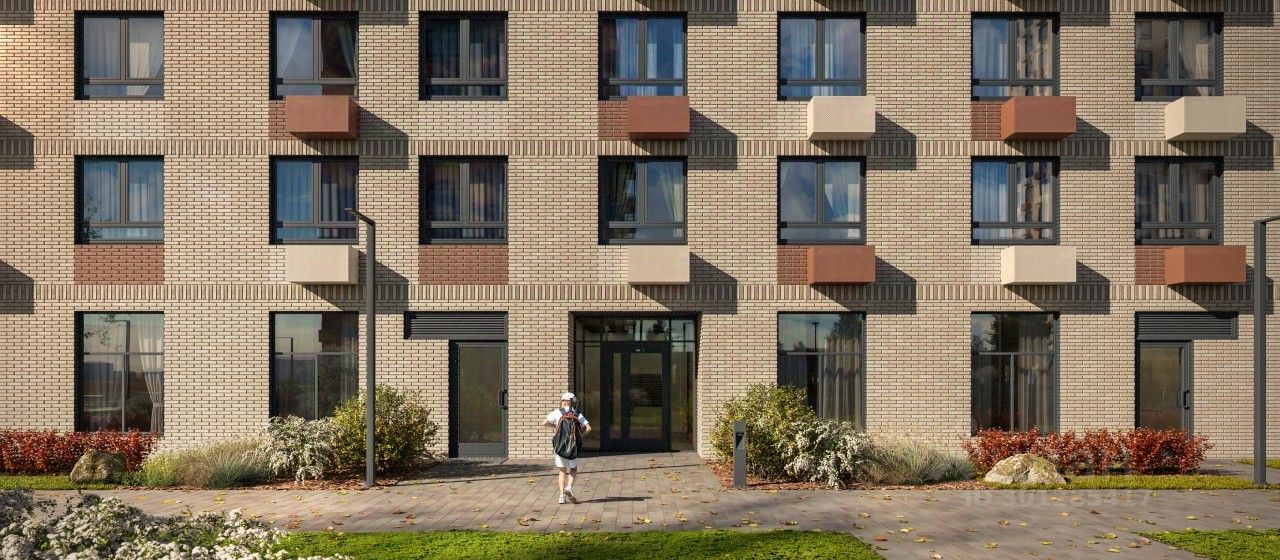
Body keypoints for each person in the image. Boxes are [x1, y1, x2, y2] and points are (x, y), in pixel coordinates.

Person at [544, 392, 590, 504]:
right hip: (573, 447)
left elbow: (544, 423)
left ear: (564, 402)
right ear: (572, 402)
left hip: (560, 447)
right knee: (573, 469)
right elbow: (588, 428)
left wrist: (556, 427)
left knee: (562, 470)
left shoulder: (557, 412)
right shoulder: (577, 414)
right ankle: (569, 487)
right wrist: (579, 436)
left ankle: (561, 497)